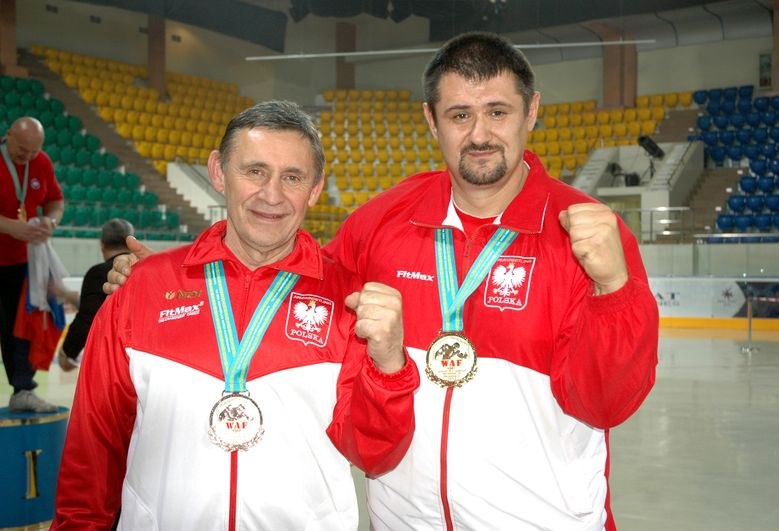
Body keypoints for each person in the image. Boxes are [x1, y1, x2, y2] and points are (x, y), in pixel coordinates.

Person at [106, 32, 659, 530]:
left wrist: (616, 290)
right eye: (460, 115)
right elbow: (288, 284)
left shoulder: (583, 233)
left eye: (498, 111)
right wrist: (172, 281)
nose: (481, 134)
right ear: (431, 119)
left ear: (531, 111)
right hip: (405, 523)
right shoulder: (382, 221)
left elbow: (604, 404)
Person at [52, 101, 419, 530]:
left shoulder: (348, 300)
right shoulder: (144, 288)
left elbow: (375, 453)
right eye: (255, 171)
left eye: (293, 177)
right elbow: (92, 450)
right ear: (218, 171)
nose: (272, 195)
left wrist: (390, 367)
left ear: (316, 188)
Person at [0, 116, 64, 413]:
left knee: (19, 328)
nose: (26, 157)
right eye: (21, 150)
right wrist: (10, 226)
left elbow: (55, 201)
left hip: (21, 262)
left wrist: (51, 220)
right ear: (8, 135)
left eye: (32, 152)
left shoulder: (42, 163)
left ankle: (23, 390)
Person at [52, 218, 135, 372]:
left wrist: (68, 352)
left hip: (114, 363)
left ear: (102, 245)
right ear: (132, 242)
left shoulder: (98, 273)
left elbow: (88, 318)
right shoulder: (144, 269)